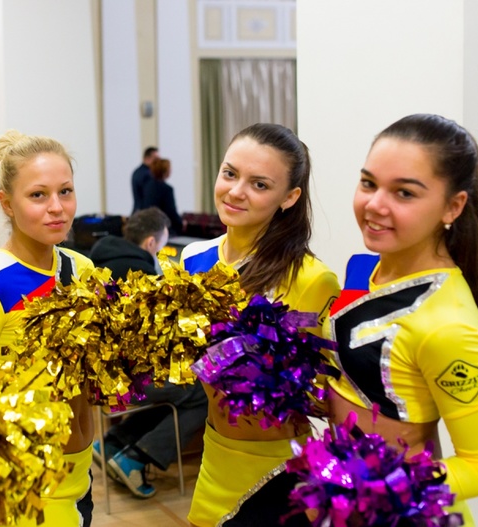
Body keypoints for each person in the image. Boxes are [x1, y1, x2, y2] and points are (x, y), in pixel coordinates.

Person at [326, 114, 478, 526]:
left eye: (404, 193)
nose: (374, 205)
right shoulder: (365, 267)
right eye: (368, 183)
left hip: (405, 514)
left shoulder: (449, 327)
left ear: (453, 206)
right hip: (349, 505)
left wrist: (381, 487)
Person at [181, 123, 340, 527]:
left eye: (259, 184)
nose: (236, 191)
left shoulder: (310, 279)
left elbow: (323, 393)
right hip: (215, 456)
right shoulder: (192, 260)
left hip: (278, 470)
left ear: (289, 197)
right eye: (230, 173)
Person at [0, 130, 95, 527]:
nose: (57, 208)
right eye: (38, 195)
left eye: (65, 191)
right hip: (26, 484)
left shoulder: (82, 268)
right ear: (7, 204)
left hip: (81, 473)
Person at [90, 207, 208, 499]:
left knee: (175, 391)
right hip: (125, 378)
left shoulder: (98, 258)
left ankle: (115, 442)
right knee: (201, 391)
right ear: (151, 243)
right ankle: (136, 459)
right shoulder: (140, 274)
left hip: (99, 374)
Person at [143, 157, 184, 235]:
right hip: (163, 227)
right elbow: (171, 211)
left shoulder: (147, 186)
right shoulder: (167, 189)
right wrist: (180, 222)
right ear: (165, 171)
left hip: (149, 226)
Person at [131, 146, 159, 214]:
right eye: (156, 159)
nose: (158, 162)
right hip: (145, 213)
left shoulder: (137, 172)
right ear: (147, 158)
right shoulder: (148, 175)